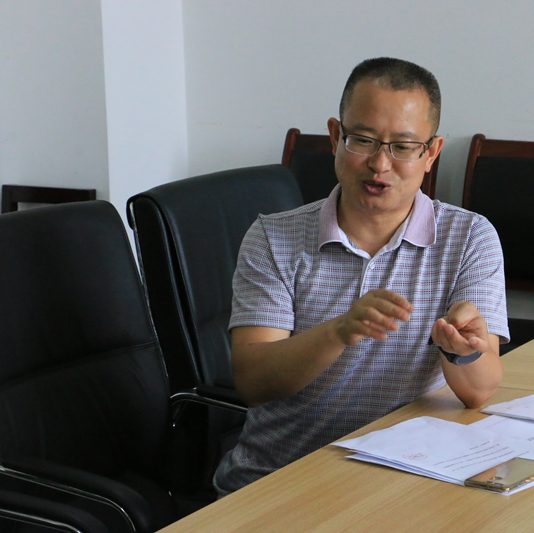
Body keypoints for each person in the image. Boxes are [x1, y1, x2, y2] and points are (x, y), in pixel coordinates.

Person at [213, 57, 509, 496]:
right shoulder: (273, 237)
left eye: (403, 146)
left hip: (406, 477)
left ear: (431, 152)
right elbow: (254, 382)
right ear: (336, 137)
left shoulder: (469, 237)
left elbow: (479, 392)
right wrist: (339, 331)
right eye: (363, 140)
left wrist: (461, 351)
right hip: (282, 478)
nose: (380, 164)